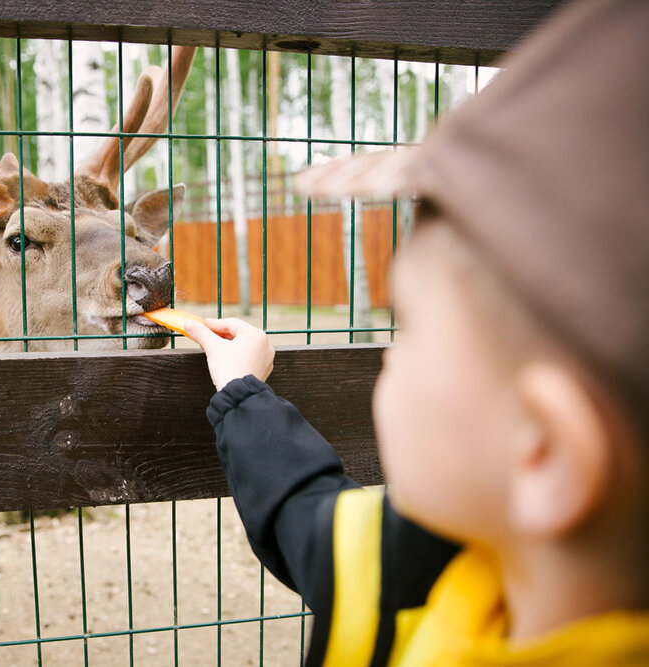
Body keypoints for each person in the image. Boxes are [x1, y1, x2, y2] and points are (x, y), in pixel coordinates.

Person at [183, 0, 649, 664]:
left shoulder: (422, 579)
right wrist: (244, 391)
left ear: (543, 449)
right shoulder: (446, 547)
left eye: (411, 328)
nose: (391, 355)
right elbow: (311, 525)